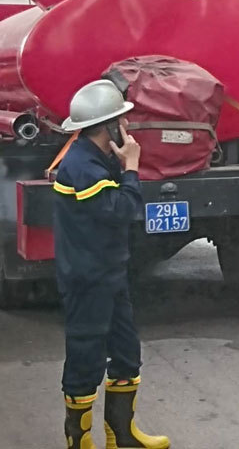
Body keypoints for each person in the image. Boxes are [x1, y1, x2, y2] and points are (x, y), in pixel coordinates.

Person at [53, 80, 169, 449]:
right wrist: (132, 167)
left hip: (110, 275)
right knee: (86, 360)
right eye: (123, 121)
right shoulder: (83, 165)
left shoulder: (97, 158)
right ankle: (80, 441)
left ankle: (122, 437)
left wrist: (122, 165)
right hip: (88, 280)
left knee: (125, 354)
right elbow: (122, 211)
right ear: (110, 127)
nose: (128, 127)